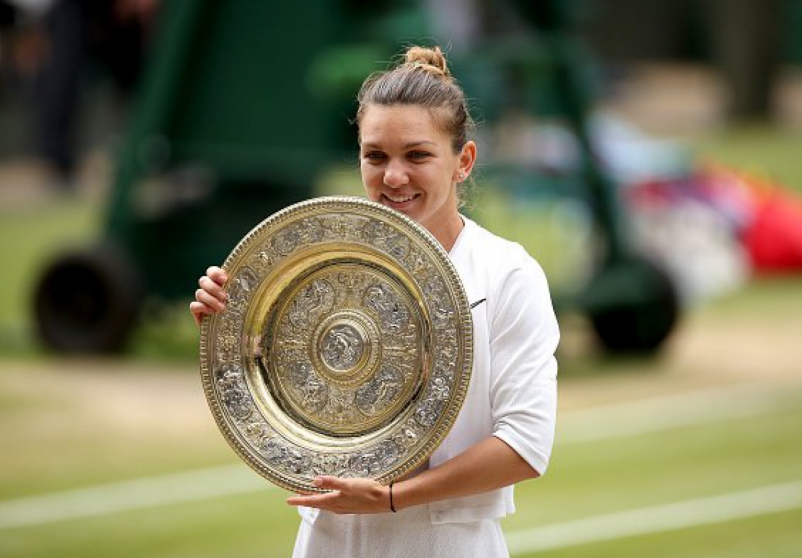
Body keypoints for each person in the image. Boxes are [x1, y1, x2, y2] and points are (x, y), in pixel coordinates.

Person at [190, 45, 559, 558]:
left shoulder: (508, 274)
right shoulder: (310, 260)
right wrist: (231, 329)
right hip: (327, 541)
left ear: (464, 161)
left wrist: (390, 498)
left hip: (445, 544)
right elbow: (276, 406)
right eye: (375, 156)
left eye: (418, 155)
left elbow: (525, 445)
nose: (393, 177)